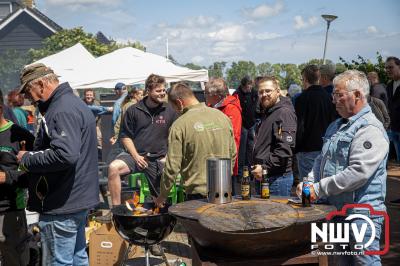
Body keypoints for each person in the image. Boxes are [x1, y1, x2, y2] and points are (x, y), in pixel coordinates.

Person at [296, 70, 389, 265]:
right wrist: (309, 183)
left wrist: (318, 189)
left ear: (357, 95)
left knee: (365, 262)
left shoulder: (369, 129)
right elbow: (321, 160)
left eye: (339, 95)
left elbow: (358, 173)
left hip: (361, 214)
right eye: (333, 95)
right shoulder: (336, 126)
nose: (334, 100)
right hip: (337, 212)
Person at [16, 63, 99, 265]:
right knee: (78, 257)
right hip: (76, 200)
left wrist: (26, 158)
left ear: (42, 84)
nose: (27, 97)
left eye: (28, 90)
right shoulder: (74, 104)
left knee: (58, 262)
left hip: (62, 205)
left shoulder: (60, 110)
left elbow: (65, 155)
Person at [155, 82, 236, 205]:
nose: (176, 112)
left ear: (179, 103)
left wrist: (163, 195)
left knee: (197, 224)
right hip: (224, 191)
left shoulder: (179, 125)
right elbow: (233, 154)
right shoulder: (222, 117)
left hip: (197, 194)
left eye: (174, 108)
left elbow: (172, 166)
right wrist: (225, 178)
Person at [106, 74, 177, 206]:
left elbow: (176, 137)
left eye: (163, 90)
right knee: (113, 168)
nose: (162, 93)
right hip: (135, 155)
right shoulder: (133, 110)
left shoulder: (169, 110)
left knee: (159, 203)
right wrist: (136, 156)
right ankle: (115, 210)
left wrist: (167, 156)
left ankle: (161, 219)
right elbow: (125, 136)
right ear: (148, 91)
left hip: (158, 158)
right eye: (158, 91)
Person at [0, 100, 35, 266]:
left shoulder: (20, 135)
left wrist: (6, 177)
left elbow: (34, 176)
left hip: (9, 211)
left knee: (14, 260)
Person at [251, 76, 297, 196]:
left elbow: (284, 149)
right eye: (261, 92)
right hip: (265, 176)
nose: (264, 94)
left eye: (268, 91)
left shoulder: (284, 113)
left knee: (276, 214)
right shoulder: (268, 111)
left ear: (277, 92)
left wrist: (265, 167)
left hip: (276, 180)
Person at [295, 64, 336, 179]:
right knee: (321, 183)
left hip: (307, 148)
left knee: (308, 185)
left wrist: (296, 147)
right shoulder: (328, 97)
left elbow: (299, 125)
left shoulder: (301, 99)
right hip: (324, 147)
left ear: (305, 79)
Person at [204, 78, 241, 193]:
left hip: (225, 162)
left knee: (227, 194)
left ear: (216, 95)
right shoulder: (211, 106)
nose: (204, 95)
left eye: (206, 93)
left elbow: (234, 138)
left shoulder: (231, 109)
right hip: (212, 159)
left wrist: (229, 163)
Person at [233, 76, 257, 177]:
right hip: (242, 125)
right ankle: (240, 173)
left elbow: (256, 105)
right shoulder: (237, 94)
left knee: (250, 149)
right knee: (241, 151)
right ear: (244, 85)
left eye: (251, 85)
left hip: (252, 124)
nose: (250, 87)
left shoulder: (253, 92)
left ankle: (250, 171)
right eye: (248, 85)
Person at [82, 88, 113, 161]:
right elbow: (92, 108)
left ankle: (100, 158)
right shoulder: (82, 103)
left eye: (90, 95)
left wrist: (108, 110)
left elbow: (99, 111)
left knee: (99, 139)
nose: (89, 96)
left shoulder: (96, 103)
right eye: (87, 95)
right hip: (83, 126)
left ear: (93, 96)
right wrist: (106, 108)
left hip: (94, 125)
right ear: (84, 96)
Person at [385, 56, 400, 205]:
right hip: (394, 129)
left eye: (391, 67)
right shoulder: (389, 85)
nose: (388, 70)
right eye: (386, 68)